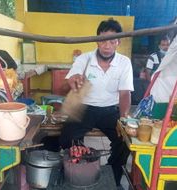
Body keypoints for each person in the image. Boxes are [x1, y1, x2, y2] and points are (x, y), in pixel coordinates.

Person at [59, 18, 134, 188]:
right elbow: (63, 88)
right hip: (85, 108)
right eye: (102, 40)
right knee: (66, 138)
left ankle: (111, 172)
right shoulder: (84, 60)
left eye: (112, 41)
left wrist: (123, 120)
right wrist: (71, 82)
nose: (106, 45)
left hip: (110, 111)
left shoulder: (124, 63)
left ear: (118, 42)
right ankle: (82, 163)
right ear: (96, 40)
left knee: (125, 142)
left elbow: (124, 93)